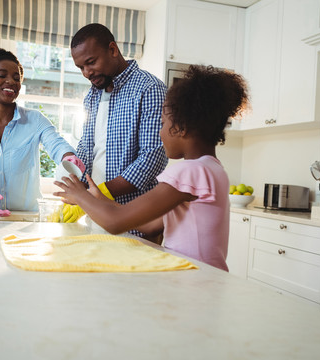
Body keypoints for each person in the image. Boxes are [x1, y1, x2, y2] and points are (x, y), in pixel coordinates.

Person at [54, 64, 249, 271]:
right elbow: (149, 224)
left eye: (163, 124)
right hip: (205, 277)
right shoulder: (213, 169)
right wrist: (98, 198)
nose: (160, 133)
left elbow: (115, 223)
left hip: (194, 282)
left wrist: (80, 196)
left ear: (181, 128)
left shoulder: (189, 173)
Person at [63, 23, 168, 230]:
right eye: (81, 68)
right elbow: (87, 147)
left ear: (112, 50)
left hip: (136, 220)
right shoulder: (92, 96)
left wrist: (100, 194)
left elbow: (152, 157)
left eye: (91, 62)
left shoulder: (149, 89)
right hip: (96, 216)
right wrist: (80, 189)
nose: (86, 72)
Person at [0, 48, 84, 216]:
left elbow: (57, 144)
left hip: (26, 219)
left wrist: (69, 158)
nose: (11, 81)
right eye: (2, 75)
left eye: (16, 78)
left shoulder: (35, 120)